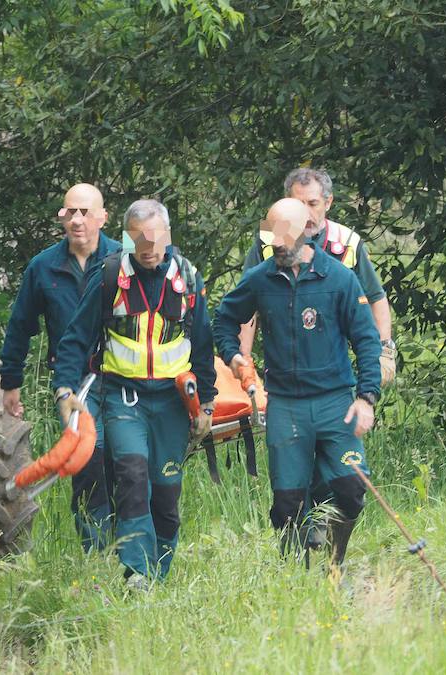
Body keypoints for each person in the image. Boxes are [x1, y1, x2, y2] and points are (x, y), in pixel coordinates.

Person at [53, 199, 217, 586]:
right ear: (127, 238)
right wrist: (65, 389)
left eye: (155, 238)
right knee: (131, 477)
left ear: (168, 235)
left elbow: (204, 345)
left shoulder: (189, 279)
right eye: (139, 239)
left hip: (173, 403)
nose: (148, 247)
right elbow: (75, 338)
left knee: (165, 490)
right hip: (123, 397)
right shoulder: (110, 276)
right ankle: (137, 570)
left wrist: (206, 403)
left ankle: (158, 570)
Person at [213, 198, 381, 569]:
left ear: (309, 230)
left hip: (335, 401)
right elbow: (223, 321)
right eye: (271, 239)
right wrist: (234, 356)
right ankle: (296, 572)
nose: (276, 246)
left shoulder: (339, 279)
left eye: (283, 239)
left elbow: (367, 340)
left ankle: (334, 563)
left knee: (351, 488)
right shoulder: (259, 279)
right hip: (285, 404)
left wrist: (367, 398)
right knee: (288, 502)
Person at [0, 183, 121, 552]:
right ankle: (95, 553)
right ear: (61, 217)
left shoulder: (124, 257)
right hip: (73, 382)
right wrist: (11, 382)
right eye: (70, 212)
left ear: (103, 217)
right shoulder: (43, 266)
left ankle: (129, 548)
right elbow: (20, 326)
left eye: (85, 212)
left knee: (125, 461)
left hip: (123, 377)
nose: (77, 219)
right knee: (88, 461)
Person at [239, 168, 395, 383]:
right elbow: (244, 305)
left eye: (312, 204)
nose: (305, 214)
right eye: (298, 204)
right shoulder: (269, 236)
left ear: (328, 202)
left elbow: (375, 297)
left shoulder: (349, 240)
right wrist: (243, 360)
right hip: (281, 363)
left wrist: (385, 349)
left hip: (333, 361)